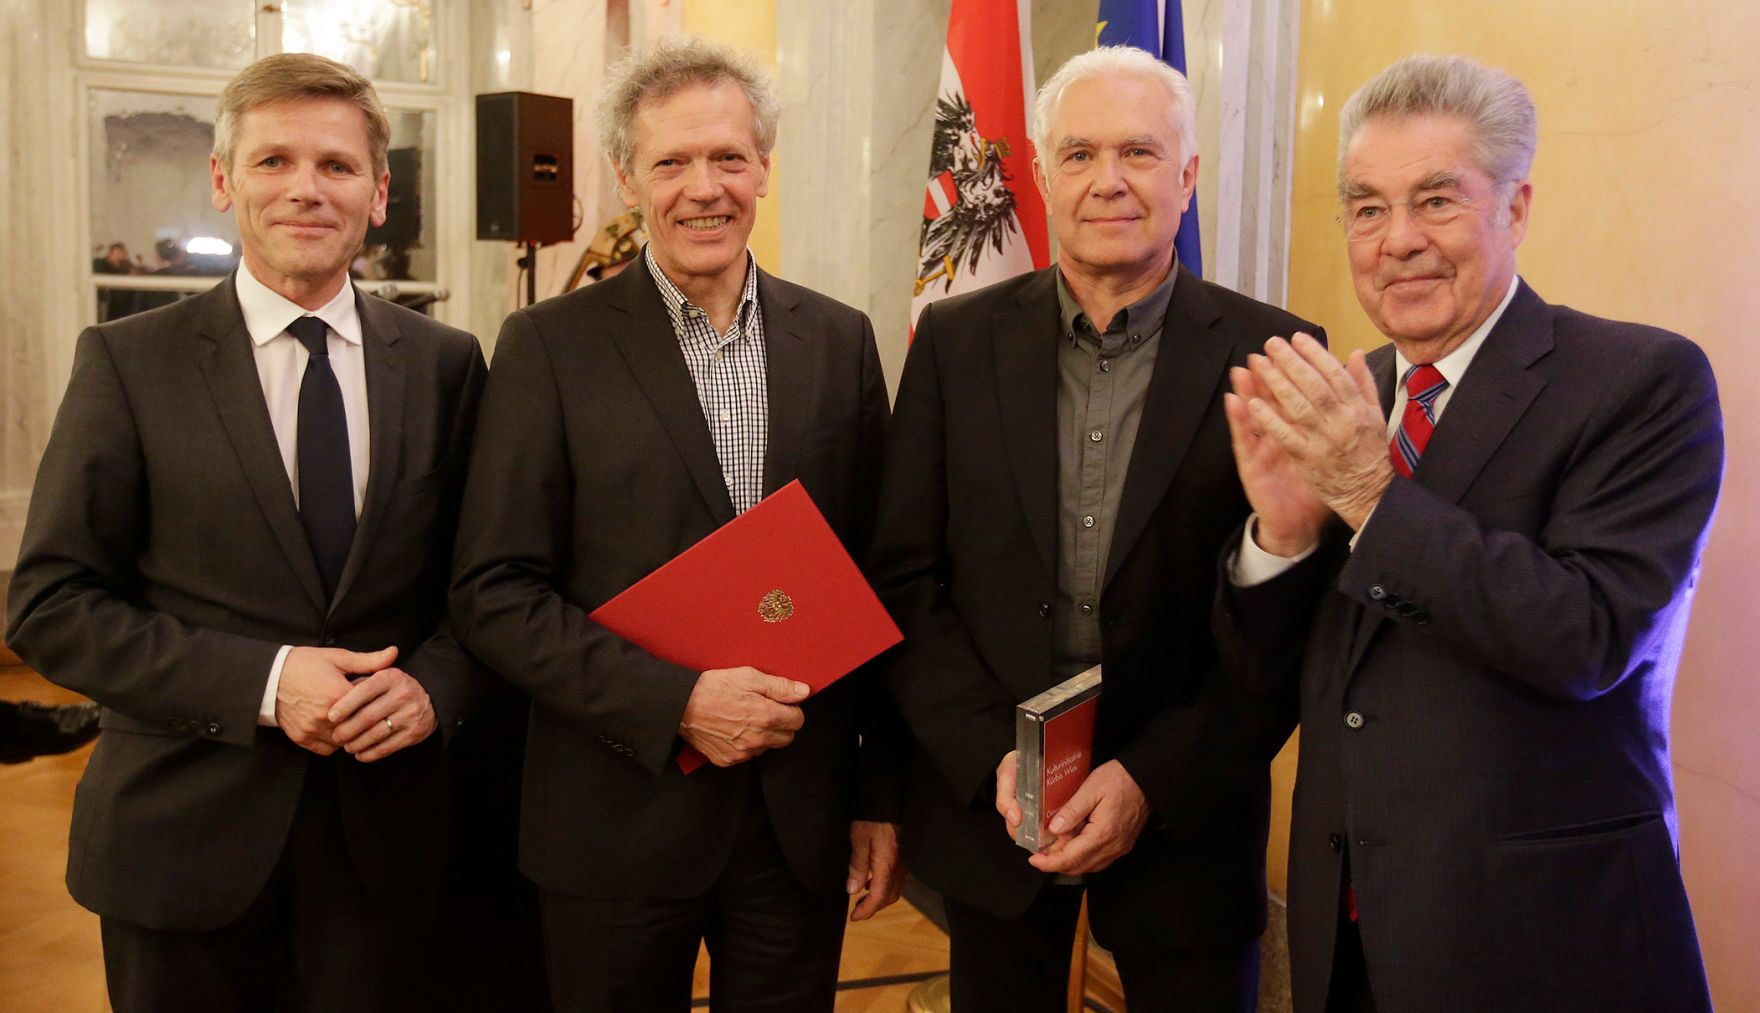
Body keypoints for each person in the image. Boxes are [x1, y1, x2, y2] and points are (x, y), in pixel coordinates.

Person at [1218, 54, 1718, 1012]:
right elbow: (1263, 689)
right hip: (1348, 934)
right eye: (1366, 208)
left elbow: (1585, 637)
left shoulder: (1639, 381)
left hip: (1541, 941)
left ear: (1515, 208)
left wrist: (1368, 492)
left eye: (1436, 201)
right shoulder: (1348, 391)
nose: (1396, 240)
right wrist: (1279, 538)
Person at [5, 53, 500, 1012]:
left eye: (337, 165)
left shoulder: (448, 365)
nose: (306, 189)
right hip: (183, 847)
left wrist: (436, 686)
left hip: (390, 847)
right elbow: (52, 606)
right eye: (273, 162)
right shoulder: (127, 363)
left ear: (380, 192)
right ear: (225, 183)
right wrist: (270, 684)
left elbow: (484, 585)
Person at [866, 46, 1326, 1012]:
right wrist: (997, 756)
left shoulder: (1278, 355)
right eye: (1077, 154)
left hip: (1189, 827)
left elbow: (1285, 621)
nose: (1107, 180)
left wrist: (1152, 777)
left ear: (1188, 175)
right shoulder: (955, 344)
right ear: (1039, 175)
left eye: (1140, 153)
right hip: (996, 818)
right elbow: (904, 582)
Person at [449, 37, 903, 1012]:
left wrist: (875, 795)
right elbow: (493, 592)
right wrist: (678, 702)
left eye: (728, 158)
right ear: (626, 177)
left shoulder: (838, 340)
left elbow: (879, 581)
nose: (704, 188)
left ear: (764, 168)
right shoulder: (547, 347)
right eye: (671, 162)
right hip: (614, 812)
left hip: (796, 815)